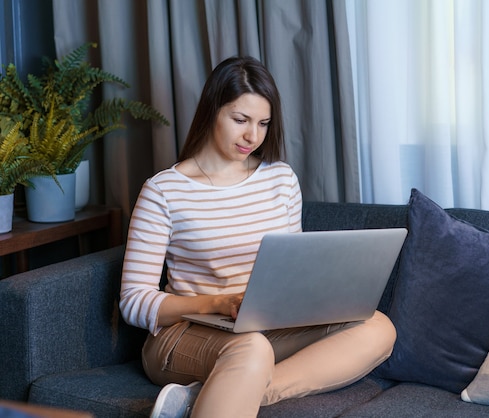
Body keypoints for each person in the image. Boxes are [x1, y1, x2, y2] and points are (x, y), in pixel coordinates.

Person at [119, 56, 397, 418]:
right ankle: (232, 385)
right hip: (186, 333)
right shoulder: (164, 191)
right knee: (250, 348)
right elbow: (133, 301)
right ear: (211, 111)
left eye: (263, 123)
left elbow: (293, 266)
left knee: (377, 327)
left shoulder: (280, 179)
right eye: (240, 120)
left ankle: (212, 396)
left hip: (268, 330)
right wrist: (219, 304)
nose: (253, 136)